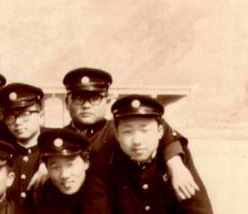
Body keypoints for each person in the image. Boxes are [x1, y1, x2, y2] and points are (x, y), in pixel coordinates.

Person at [62, 67, 200, 203]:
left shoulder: (121, 130)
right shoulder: (60, 138)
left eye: (95, 98)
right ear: (67, 103)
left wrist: (175, 164)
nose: (86, 106)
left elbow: (164, 132)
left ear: (108, 102)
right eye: (78, 98)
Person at [0, 83, 45, 206]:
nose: (17, 122)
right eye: (10, 117)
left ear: (41, 117)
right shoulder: (1, 154)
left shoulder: (52, 154)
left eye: (24, 115)